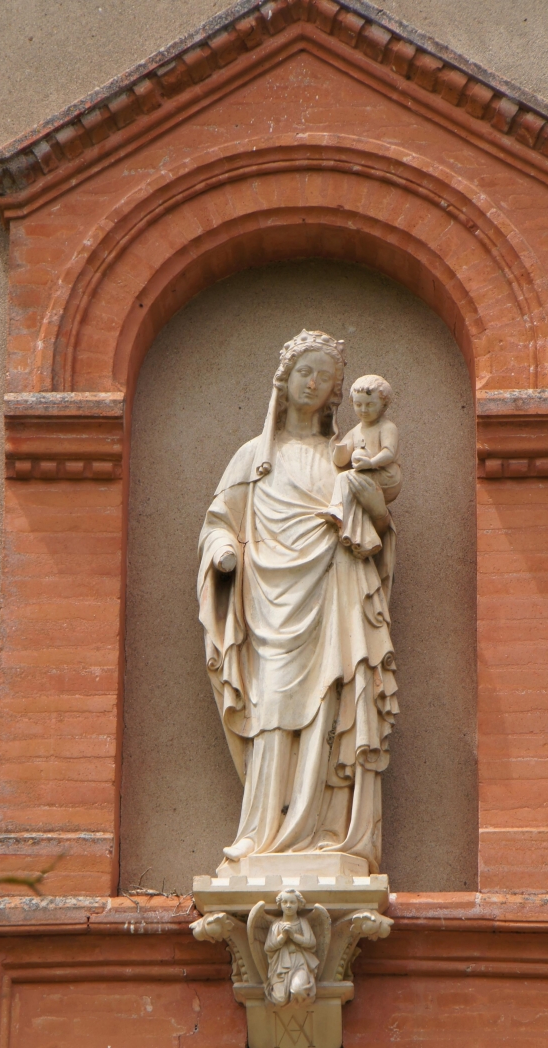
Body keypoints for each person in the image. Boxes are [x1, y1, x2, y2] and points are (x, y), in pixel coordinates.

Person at [197, 329, 399, 874]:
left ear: (337, 392)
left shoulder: (345, 457)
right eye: (305, 372)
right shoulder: (253, 458)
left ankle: (330, 833)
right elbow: (221, 523)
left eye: (325, 377)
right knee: (274, 709)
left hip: (336, 585)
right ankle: (263, 833)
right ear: (284, 382)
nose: (314, 383)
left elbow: (378, 522)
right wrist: (221, 554)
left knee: (335, 703)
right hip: (269, 602)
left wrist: (367, 501)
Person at [321, 374, 401, 558]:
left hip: (387, 476)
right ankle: (359, 535)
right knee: (345, 478)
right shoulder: (355, 431)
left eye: (369, 404)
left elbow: (389, 453)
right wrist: (339, 448)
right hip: (366, 475)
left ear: (384, 405)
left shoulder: (387, 427)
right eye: (358, 405)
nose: (363, 410)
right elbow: (340, 461)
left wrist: (371, 462)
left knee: (347, 478)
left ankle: (340, 512)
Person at [264, 889, 319, 1007]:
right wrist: (282, 937)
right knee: (280, 999)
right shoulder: (276, 925)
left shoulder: (302, 922)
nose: (288, 906)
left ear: (299, 904)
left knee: (298, 989)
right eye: (285, 902)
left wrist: (294, 936)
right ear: (280, 905)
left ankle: (303, 1002)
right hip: (280, 964)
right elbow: (268, 947)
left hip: (299, 962)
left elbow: (311, 943)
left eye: (292, 902)